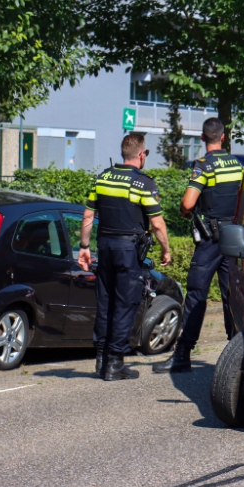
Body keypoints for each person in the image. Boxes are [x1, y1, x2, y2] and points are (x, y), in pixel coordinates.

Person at [79, 133, 171, 381]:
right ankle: (115, 364)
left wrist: (84, 247)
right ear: (141, 155)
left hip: (105, 248)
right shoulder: (143, 183)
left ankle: (101, 359)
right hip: (127, 250)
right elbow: (158, 223)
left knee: (105, 303)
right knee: (126, 304)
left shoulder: (103, 178)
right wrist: (166, 249)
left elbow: (88, 216)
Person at [154, 117, 241, 373]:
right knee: (232, 297)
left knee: (196, 294)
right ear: (223, 137)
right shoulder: (237, 164)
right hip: (234, 237)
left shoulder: (203, 166)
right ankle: (236, 357)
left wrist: (183, 211)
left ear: (203, 138)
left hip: (211, 240)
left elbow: (188, 203)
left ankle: (182, 354)